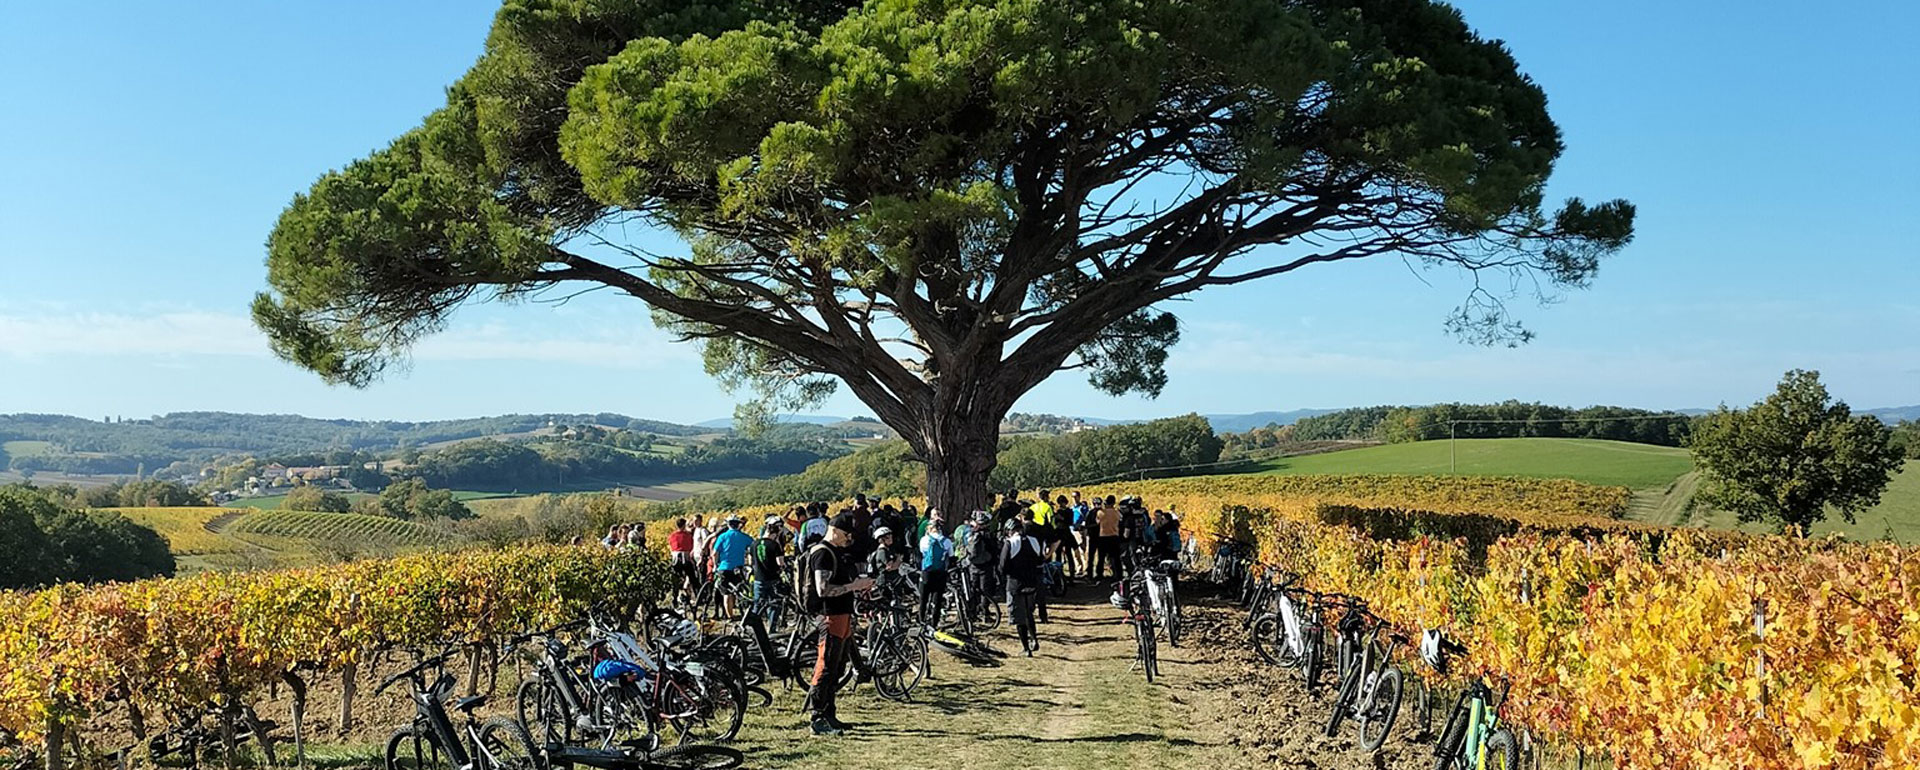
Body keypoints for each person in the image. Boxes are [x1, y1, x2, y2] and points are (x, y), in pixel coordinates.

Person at [802, 513, 874, 736]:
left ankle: (829, 714)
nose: (848, 538)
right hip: (828, 616)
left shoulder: (835, 552)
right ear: (834, 530)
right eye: (846, 534)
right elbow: (823, 589)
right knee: (825, 666)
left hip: (841, 616)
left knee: (837, 666)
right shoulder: (822, 553)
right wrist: (855, 586)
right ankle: (817, 718)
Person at [1000, 519, 1045, 655]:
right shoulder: (1034, 541)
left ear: (1010, 530)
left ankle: (1026, 648)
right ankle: (1034, 638)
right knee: (1029, 613)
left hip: (1015, 583)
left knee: (1019, 617)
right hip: (1031, 582)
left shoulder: (1010, 543)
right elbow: (1040, 560)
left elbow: (1002, 565)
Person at [711, 516, 754, 615]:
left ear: (728, 524)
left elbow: (714, 553)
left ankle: (730, 616)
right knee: (738, 590)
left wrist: (715, 566)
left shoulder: (722, 537)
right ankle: (743, 611)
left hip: (724, 567)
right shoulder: (744, 536)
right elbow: (753, 545)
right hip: (739, 568)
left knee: (726, 593)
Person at [751, 518, 789, 628]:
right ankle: (771, 629)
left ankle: (753, 627)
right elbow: (780, 562)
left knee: (757, 605)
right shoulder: (774, 545)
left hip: (758, 578)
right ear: (775, 534)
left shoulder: (754, 544)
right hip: (772, 579)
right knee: (774, 604)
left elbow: (751, 561)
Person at [964, 510, 1000, 620]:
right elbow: (995, 550)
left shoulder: (970, 534)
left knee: (974, 589)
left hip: (973, 565)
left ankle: (973, 612)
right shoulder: (988, 535)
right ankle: (985, 612)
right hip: (986, 565)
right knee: (985, 590)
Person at [918, 521, 954, 626]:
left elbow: (922, 552)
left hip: (927, 572)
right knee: (937, 600)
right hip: (940, 573)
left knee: (923, 599)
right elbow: (951, 555)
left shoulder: (924, 540)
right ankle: (934, 623)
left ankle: (921, 620)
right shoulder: (946, 541)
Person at [667, 518, 696, 600]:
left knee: (676, 579)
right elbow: (690, 546)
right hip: (685, 557)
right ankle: (696, 595)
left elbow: (671, 546)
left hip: (675, 558)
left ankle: (675, 597)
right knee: (692, 576)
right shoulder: (688, 535)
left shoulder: (672, 535)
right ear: (684, 525)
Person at [1094, 498, 1122, 579]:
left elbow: (1097, 522)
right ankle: (1118, 574)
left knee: (1101, 557)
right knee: (1116, 557)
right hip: (1114, 536)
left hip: (1103, 536)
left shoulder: (1100, 512)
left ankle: (1099, 574)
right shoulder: (1117, 512)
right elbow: (1120, 519)